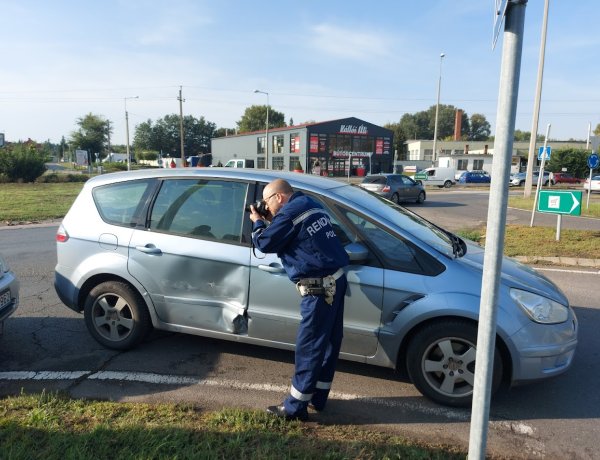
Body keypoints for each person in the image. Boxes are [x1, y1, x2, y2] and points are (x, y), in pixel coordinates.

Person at [249, 179, 349, 421]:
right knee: (327, 344)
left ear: (279, 197)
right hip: (336, 280)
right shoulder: (311, 203)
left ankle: (294, 408)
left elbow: (264, 242)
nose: (267, 207)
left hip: (319, 288)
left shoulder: (291, 212)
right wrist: (272, 220)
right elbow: (299, 236)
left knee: (310, 346)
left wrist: (258, 222)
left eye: (267, 201)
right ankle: (318, 397)